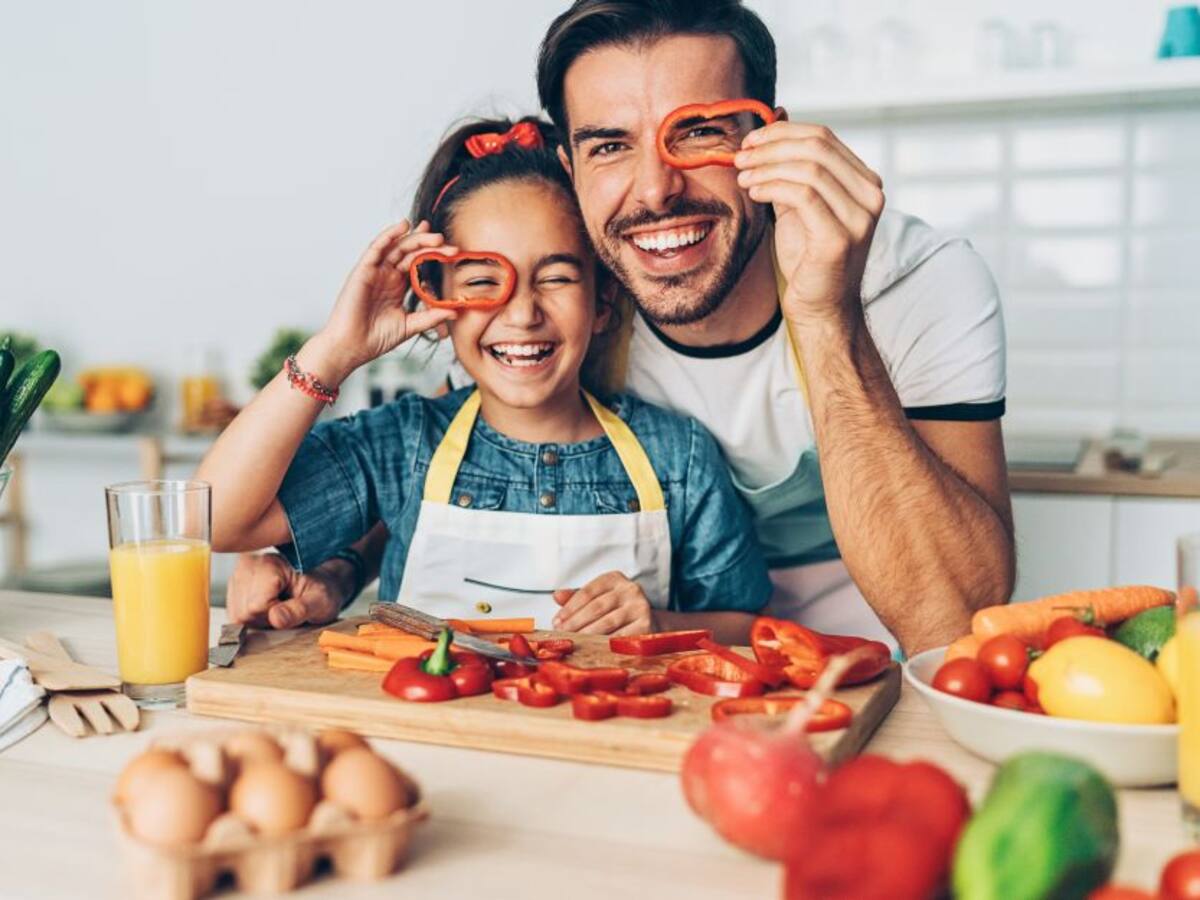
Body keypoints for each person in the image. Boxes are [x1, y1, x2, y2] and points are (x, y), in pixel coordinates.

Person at [228, 0, 1014, 656]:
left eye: (699, 131)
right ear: (570, 167)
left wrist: (825, 311)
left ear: (767, 137)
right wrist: (333, 565)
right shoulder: (589, 283)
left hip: (865, 658)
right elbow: (441, 455)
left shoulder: (918, 282)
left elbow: (947, 621)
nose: (656, 192)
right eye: (610, 145)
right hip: (665, 679)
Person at [197, 117, 772, 643]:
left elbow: (746, 626)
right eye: (480, 281)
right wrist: (334, 351)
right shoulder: (403, 445)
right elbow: (214, 519)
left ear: (603, 302)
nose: (522, 314)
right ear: (439, 301)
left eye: (556, 278)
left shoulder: (680, 456)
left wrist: (660, 622)